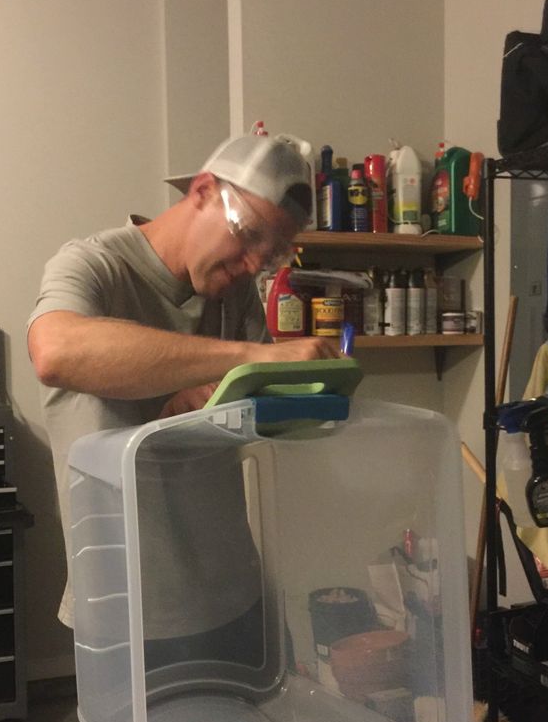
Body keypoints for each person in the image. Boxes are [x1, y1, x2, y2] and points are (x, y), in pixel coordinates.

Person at [27, 131, 339, 635]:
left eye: (275, 252)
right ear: (201, 192)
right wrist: (250, 358)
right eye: (249, 234)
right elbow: (57, 352)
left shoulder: (233, 293)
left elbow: (257, 400)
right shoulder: (93, 265)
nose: (256, 263)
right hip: (129, 604)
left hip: (233, 592)